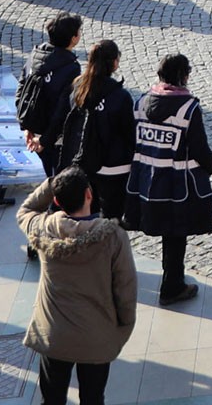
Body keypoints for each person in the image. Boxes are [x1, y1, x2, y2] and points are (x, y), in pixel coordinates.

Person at [18, 168, 137, 405]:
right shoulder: (113, 237)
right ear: (89, 195)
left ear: (56, 201)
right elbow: (125, 289)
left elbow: (25, 210)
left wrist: (54, 183)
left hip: (54, 334)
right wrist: (123, 327)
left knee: (52, 398)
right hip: (97, 334)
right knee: (93, 398)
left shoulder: (43, 227)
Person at [124, 53, 212, 306]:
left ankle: (170, 281)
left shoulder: (141, 102)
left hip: (146, 180)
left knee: (166, 230)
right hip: (178, 183)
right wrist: (211, 167)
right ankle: (172, 284)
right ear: (183, 76)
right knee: (176, 233)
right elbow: (199, 148)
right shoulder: (188, 108)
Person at [47, 39, 135, 220]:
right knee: (112, 219)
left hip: (82, 163)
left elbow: (60, 118)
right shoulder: (120, 96)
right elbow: (129, 135)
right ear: (114, 63)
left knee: (85, 215)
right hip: (113, 168)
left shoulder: (78, 86)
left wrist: (44, 141)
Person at [18, 15, 84, 175]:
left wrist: (26, 127)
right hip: (52, 138)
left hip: (34, 131)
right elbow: (63, 109)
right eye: (79, 31)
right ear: (74, 38)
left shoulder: (35, 55)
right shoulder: (71, 68)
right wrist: (45, 140)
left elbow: (21, 90)